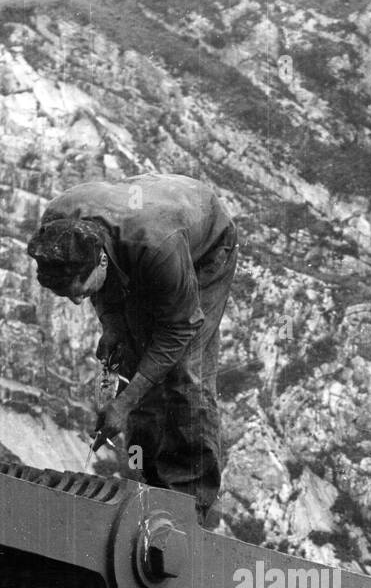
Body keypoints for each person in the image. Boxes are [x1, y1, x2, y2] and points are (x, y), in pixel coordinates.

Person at [26, 173, 238, 526]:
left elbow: (178, 329)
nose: (79, 302)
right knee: (136, 361)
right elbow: (100, 290)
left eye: (81, 292)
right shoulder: (57, 228)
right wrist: (112, 325)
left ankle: (191, 505)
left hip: (204, 251)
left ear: (103, 263)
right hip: (138, 238)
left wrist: (123, 404)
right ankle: (150, 483)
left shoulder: (158, 248)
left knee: (184, 372)